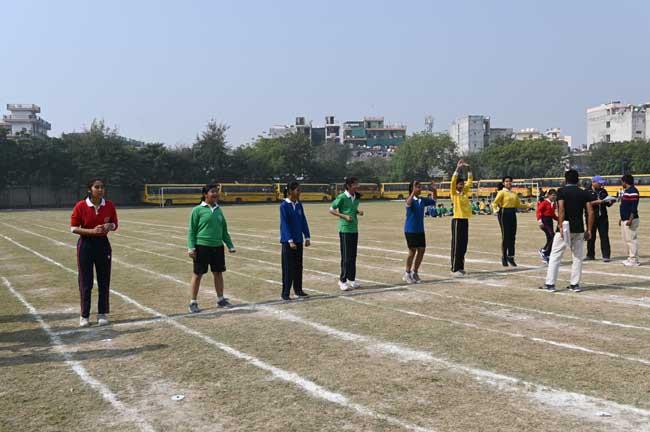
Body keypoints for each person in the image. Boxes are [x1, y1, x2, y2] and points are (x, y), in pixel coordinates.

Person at [70, 178, 119, 327]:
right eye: (96, 187)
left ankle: (102, 313)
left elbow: (115, 224)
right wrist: (92, 231)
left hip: (103, 245)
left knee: (104, 280)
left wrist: (109, 226)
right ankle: (84, 315)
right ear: (89, 189)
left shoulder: (109, 205)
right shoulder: (81, 205)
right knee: (86, 282)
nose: (100, 189)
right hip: (86, 245)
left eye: (102, 187)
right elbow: (73, 228)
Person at [542, 170, 595, 292]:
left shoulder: (561, 191)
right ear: (578, 180)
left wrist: (560, 226)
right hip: (579, 228)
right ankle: (574, 284)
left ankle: (550, 284)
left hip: (565, 227)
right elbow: (590, 212)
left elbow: (561, 209)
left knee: (555, 255)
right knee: (577, 257)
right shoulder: (584, 193)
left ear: (566, 180)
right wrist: (589, 230)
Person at [187, 184, 236, 313]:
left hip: (217, 247)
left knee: (218, 273)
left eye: (217, 192)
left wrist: (230, 245)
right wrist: (191, 248)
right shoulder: (197, 210)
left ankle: (221, 299)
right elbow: (192, 231)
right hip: (202, 246)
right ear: (205, 194)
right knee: (198, 274)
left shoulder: (219, 210)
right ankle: (193, 302)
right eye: (212, 192)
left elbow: (224, 230)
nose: (216, 194)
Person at [330, 177, 364, 291]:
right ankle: (342, 280)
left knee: (353, 256)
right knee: (346, 257)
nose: (357, 186)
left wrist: (358, 211)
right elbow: (331, 209)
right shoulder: (342, 197)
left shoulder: (356, 197)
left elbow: (351, 209)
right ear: (349, 186)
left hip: (354, 229)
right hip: (345, 230)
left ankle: (351, 279)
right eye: (355, 184)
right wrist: (344, 216)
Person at [280, 181, 311, 300]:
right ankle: (285, 293)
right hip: (288, 242)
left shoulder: (299, 204)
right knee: (288, 268)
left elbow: (303, 220)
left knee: (298, 266)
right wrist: (290, 240)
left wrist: (307, 236)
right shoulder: (284, 206)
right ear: (290, 191)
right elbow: (284, 224)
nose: (299, 192)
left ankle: (298, 290)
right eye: (298, 190)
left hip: (298, 240)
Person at [403, 180, 436, 283]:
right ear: (412, 188)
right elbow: (408, 203)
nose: (420, 188)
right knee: (412, 251)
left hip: (420, 230)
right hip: (410, 230)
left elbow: (434, 201)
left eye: (420, 186)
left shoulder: (422, 200)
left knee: (421, 250)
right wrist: (413, 191)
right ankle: (407, 273)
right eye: (417, 187)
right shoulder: (409, 199)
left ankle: (415, 272)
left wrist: (434, 190)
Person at [493, 176, 529, 267]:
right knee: (506, 236)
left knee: (512, 236)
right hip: (504, 213)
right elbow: (494, 203)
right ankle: (504, 257)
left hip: (512, 213)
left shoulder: (514, 194)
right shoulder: (501, 192)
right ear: (503, 183)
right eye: (507, 181)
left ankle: (511, 256)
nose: (509, 183)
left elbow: (518, 205)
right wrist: (495, 210)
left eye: (510, 181)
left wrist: (528, 205)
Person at [450, 160, 473, 276]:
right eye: (460, 184)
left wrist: (468, 169)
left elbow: (470, 181)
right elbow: (453, 181)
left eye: (462, 184)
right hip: (457, 220)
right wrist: (458, 169)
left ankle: (461, 267)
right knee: (456, 244)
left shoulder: (464, 192)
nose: (462, 186)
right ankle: (454, 268)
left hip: (465, 219)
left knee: (463, 244)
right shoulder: (454, 193)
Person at [585, 175, 614, 262]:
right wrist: (596, 202)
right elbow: (584, 204)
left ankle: (606, 255)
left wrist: (610, 202)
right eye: (600, 183)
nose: (601, 185)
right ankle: (590, 255)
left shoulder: (603, 191)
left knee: (604, 236)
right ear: (593, 182)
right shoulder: (586, 192)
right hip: (591, 217)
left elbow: (607, 204)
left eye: (602, 183)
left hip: (603, 218)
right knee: (591, 235)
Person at [620, 174, 640, 266]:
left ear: (625, 182)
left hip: (630, 219)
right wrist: (621, 218)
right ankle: (630, 258)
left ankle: (633, 260)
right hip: (625, 219)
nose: (621, 183)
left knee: (631, 240)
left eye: (622, 181)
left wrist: (630, 219)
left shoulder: (633, 191)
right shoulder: (627, 191)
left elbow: (633, 207)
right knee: (627, 240)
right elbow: (625, 206)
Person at [536, 189, 558, 263]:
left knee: (550, 238)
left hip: (550, 221)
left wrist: (559, 219)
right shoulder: (544, 203)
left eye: (555, 195)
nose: (554, 197)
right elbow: (538, 211)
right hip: (545, 221)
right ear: (549, 195)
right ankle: (546, 253)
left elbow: (553, 215)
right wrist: (540, 221)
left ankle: (544, 251)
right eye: (553, 195)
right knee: (552, 236)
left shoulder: (553, 204)